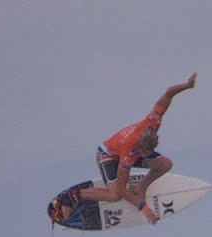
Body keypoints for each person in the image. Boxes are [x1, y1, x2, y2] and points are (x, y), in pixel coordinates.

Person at [75, 73, 197, 224]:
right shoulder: (128, 151)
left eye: (146, 153)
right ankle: (76, 195)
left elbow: (168, 93)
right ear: (138, 146)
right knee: (114, 196)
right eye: (141, 152)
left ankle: (141, 188)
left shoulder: (153, 122)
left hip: (132, 151)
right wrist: (144, 209)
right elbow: (122, 190)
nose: (143, 155)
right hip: (108, 155)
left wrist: (187, 85)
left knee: (165, 164)